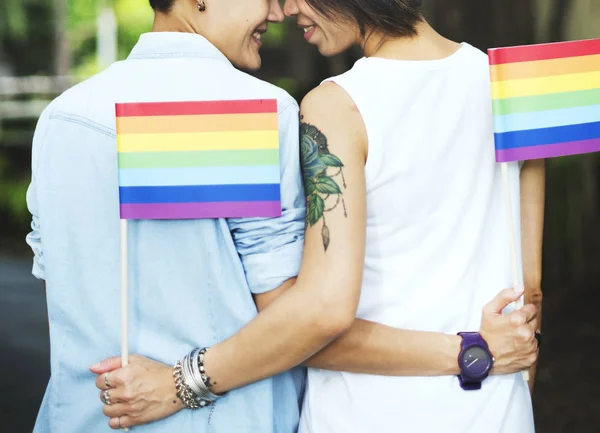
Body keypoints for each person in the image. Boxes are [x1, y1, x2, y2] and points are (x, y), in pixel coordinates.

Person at [27, 1, 540, 432]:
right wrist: (484, 354)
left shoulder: (59, 118)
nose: (280, 8)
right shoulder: (516, 85)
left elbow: (63, 294)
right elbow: (304, 316)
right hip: (490, 405)